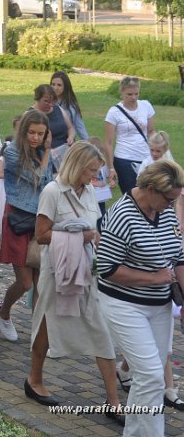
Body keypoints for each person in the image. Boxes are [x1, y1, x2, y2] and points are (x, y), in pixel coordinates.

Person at [24, 141, 123, 424]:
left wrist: (100, 254)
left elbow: (94, 230)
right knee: (46, 323)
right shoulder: (52, 192)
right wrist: (78, 238)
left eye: (96, 171)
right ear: (77, 165)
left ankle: (113, 401)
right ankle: (34, 379)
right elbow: (41, 234)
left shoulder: (90, 190)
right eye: (91, 170)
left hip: (87, 271)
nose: (94, 177)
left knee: (101, 329)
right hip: (58, 271)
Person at [97, 160, 184, 437]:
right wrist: (154, 278)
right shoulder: (121, 214)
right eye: (169, 199)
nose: (172, 206)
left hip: (159, 306)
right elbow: (107, 269)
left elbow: (179, 256)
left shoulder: (166, 212)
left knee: (150, 379)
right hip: (124, 304)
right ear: (149, 189)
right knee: (150, 376)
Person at [0, 109, 53, 343]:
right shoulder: (12, 152)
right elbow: (41, 179)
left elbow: (50, 185)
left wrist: (45, 152)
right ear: (23, 130)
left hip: (40, 221)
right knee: (25, 282)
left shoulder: (41, 152)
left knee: (41, 283)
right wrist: (48, 151)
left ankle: (38, 334)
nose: (36, 138)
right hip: (19, 219)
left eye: (41, 134)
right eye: (32, 132)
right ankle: (3, 311)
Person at [105, 76, 155, 195]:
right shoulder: (114, 112)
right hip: (124, 159)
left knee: (150, 194)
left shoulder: (146, 106)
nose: (133, 97)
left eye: (136, 94)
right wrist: (111, 168)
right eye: (129, 94)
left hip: (145, 157)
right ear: (122, 92)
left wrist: (158, 146)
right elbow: (108, 143)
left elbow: (151, 131)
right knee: (132, 196)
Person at [31, 84, 74, 166]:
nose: (50, 105)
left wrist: (71, 137)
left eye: (52, 102)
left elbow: (70, 127)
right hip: (44, 159)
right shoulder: (30, 115)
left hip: (65, 154)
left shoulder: (58, 109)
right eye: (46, 101)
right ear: (37, 99)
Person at [50, 71, 87, 140]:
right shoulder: (46, 101)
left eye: (59, 85)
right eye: (53, 84)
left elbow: (80, 126)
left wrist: (89, 144)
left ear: (65, 86)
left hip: (66, 143)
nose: (55, 88)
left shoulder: (71, 105)